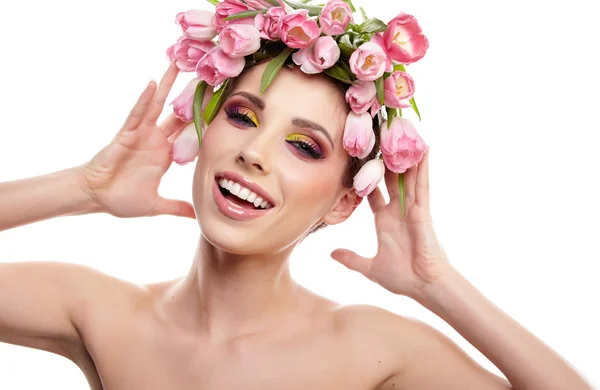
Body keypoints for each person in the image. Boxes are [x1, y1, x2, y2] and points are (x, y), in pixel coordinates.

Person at [0, 1, 595, 389]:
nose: (253, 153)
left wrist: (437, 285)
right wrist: (83, 188)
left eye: (305, 146)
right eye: (241, 115)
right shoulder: (100, 312)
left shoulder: (371, 349)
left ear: (343, 202)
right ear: (204, 131)